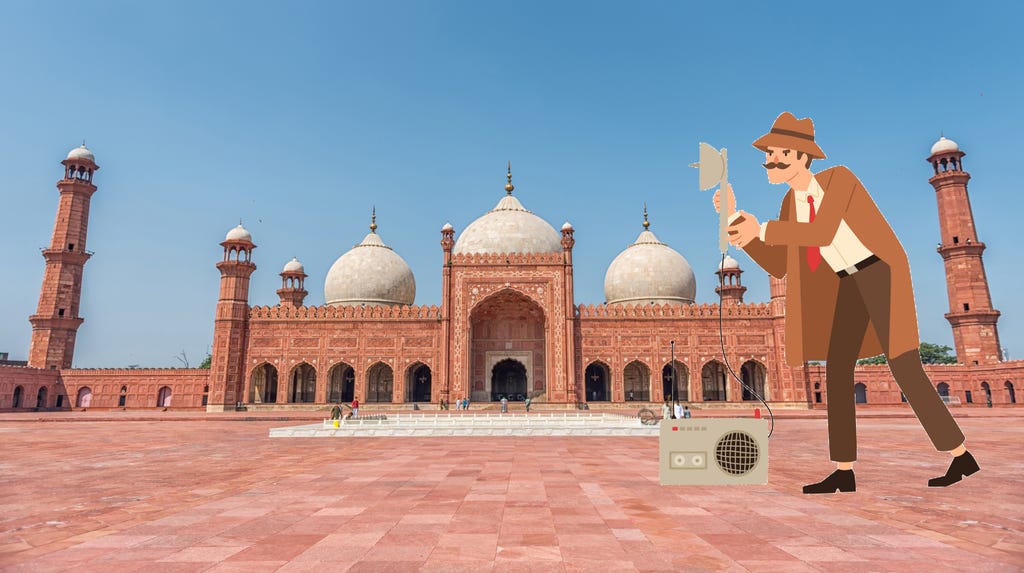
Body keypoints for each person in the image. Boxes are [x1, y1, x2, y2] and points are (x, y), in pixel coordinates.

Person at [716, 112, 976, 493]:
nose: (770, 162)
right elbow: (781, 263)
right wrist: (743, 232)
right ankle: (843, 470)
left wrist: (765, 228)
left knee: (904, 366)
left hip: (879, 273)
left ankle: (958, 453)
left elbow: (823, 231)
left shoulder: (839, 180)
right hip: (847, 284)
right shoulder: (790, 205)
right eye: (768, 157)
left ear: (803, 156)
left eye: (778, 154)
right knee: (837, 368)